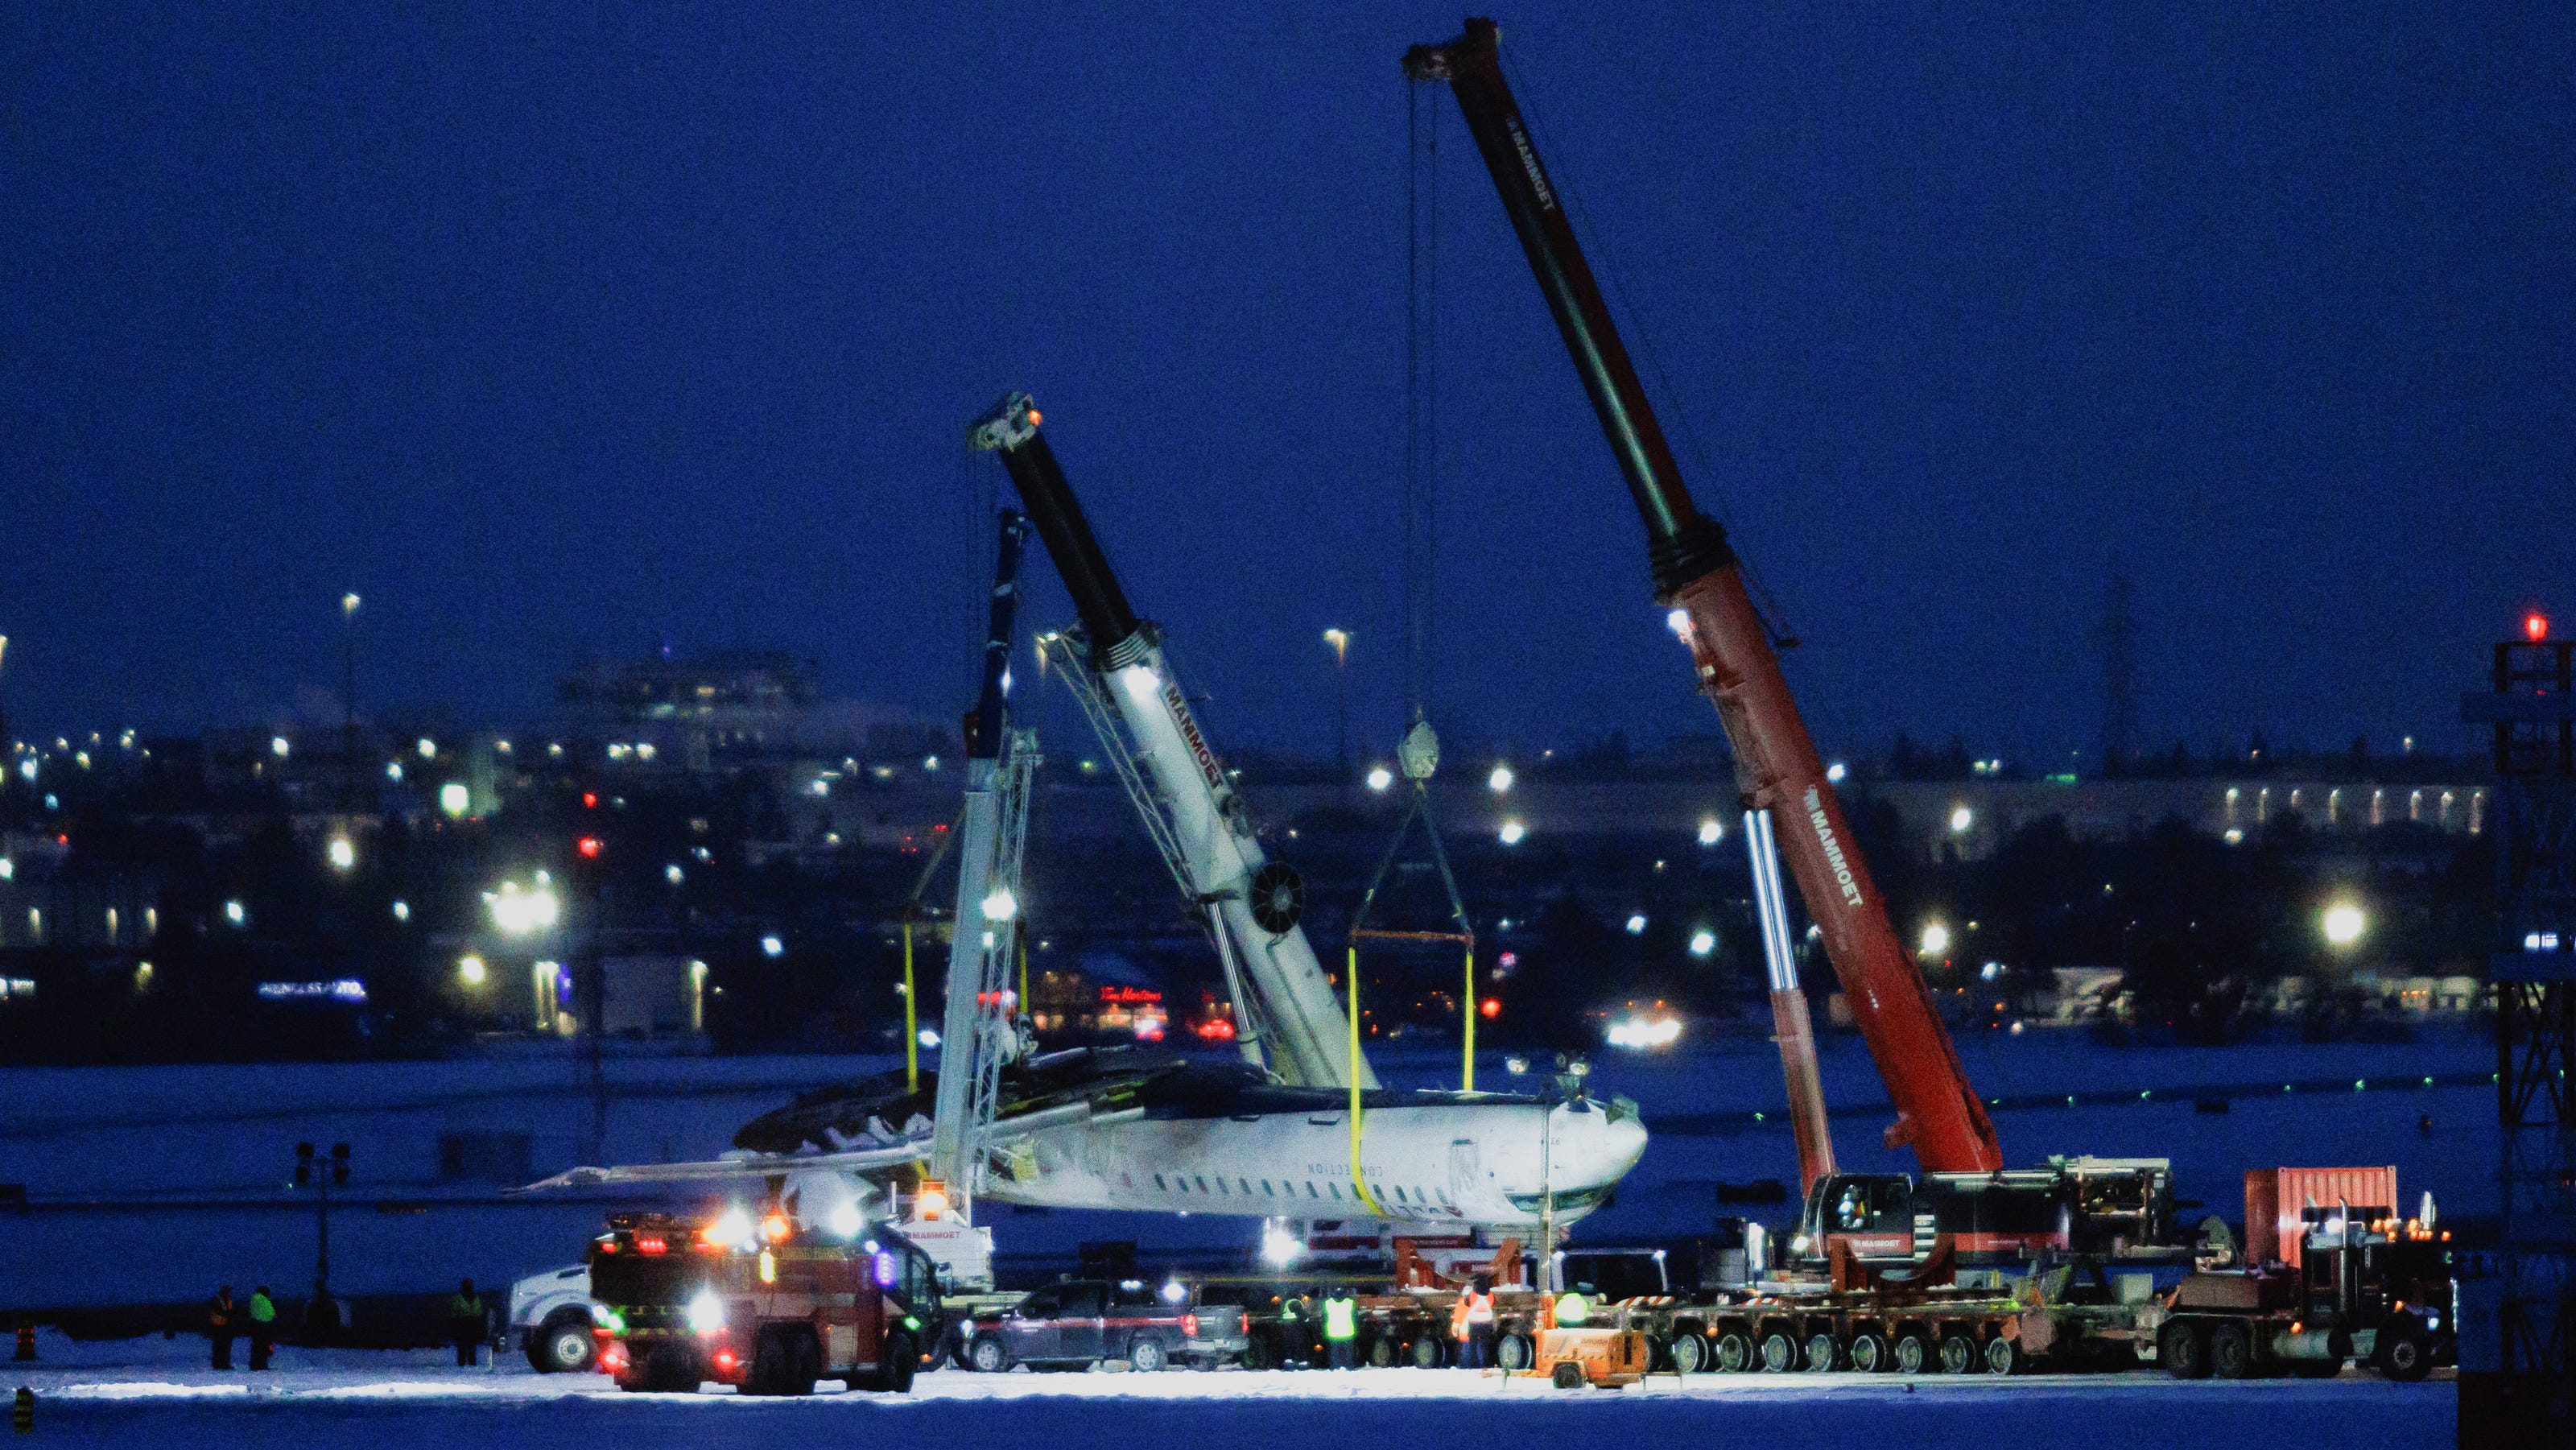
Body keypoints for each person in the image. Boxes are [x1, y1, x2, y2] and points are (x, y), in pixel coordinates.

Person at [448, 1279, 485, 1367]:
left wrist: (453, 1323)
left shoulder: (458, 1297)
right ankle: (472, 1363)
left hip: (463, 1323)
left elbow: (454, 1312)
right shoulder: (476, 1297)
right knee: (471, 1346)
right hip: (473, 1323)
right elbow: (479, 1312)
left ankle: (462, 1364)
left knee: (462, 1346)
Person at [1322, 1285, 1357, 1370]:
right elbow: (1355, 1317)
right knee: (1349, 1353)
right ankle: (1349, 1367)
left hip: (1333, 1332)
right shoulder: (1350, 1303)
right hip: (1348, 1332)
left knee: (1334, 1353)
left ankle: (1334, 1367)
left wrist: (1324, 1330)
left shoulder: (1327, 1303)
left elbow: (1324, 1318)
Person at [246, 1287, 276, 1370]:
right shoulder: (260, 1299)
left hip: (260, 1324)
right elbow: (266, 1311)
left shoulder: (258, 1299)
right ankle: (259, 1365)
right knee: (262, 1345)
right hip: (262, 1325)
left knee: (259, 1345)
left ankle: (259, 1364)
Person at [208, 1287, 237, 1370]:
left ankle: (224, 1364)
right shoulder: (217, 1299)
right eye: (228, 1291)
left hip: (226, 1327)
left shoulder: (227, 1300)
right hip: (218, 1326)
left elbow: (229, 1311)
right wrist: (229, 1314)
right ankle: (218, 1364)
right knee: (219, 1346)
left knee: (226, 1346)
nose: (230, 1293)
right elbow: (219, 1311)